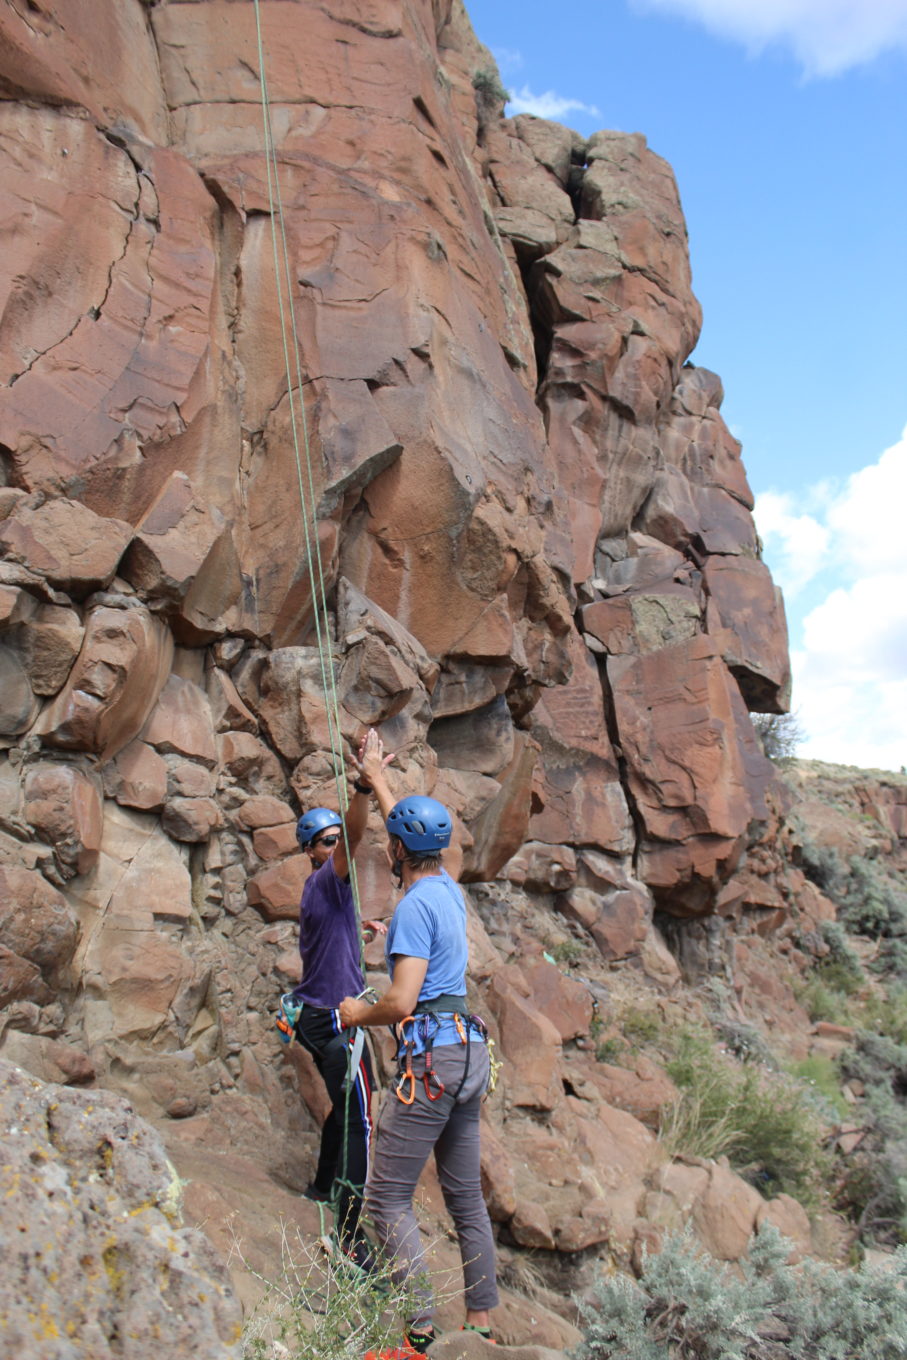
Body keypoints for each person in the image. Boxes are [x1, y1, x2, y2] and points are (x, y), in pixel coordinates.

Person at [340, 732, 498, 1355]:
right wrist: (376, 777)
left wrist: (357, 1012)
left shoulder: (410, 908)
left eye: (392, 840)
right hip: (468, 1053)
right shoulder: (447, 889)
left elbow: (401, 1002)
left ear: (399, 849)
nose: (387, 843)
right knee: (465, 1199)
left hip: (431, 1056)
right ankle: (481, 1327)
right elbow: (407, 825)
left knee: (385, 1199)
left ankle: (420, 1335)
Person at [288, 737, 388, 1269]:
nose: (334, 846)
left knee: (345, 1111)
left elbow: (331, 936)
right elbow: (353, 839)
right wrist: (363, 789)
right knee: (361, 1121)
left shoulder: (328, 895)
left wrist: (362, 930)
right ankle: (349, 1234)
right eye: (324, 841)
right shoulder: (328, 881)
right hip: (334, 1018)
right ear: (312, 852)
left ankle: (324, 1186)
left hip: (317, 1015)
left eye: (333, 840)